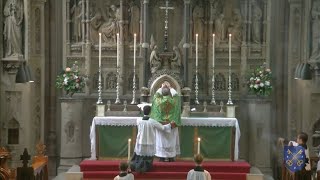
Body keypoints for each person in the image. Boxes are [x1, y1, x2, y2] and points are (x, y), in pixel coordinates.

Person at [131, 105, 174, 172]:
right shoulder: (152, 121)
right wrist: (170, 125)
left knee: (140, 155)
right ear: (150, 112)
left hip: (140, 141)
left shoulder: (138, 120)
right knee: (147, 156)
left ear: (143, 111)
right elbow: (162, 128)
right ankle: (146, 168)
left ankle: (138, 167)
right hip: (149, 142)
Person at [150, 81, 181, 162]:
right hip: (172, 125)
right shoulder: (174, 100)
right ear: (169, 93)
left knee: (161, 140)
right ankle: (171, 156)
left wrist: (161, 87)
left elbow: (155, 95)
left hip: (161, 125)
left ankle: (162, 156)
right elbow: (176, 95)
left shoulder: (157, 101)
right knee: (171, 140)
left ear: (162, 94)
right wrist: (170, 88)